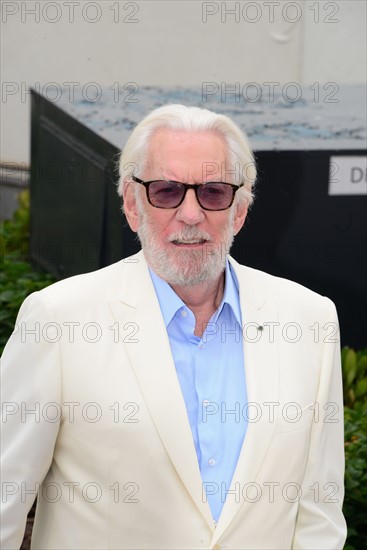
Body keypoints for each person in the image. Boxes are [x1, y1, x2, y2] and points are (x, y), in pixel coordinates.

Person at [1, 104, 346, 549]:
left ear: (239, 210)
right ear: (131, 204)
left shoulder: (310, 322)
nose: (190, 214)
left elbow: (319, 515)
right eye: (165, 191)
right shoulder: (57, 322)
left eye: (213, 192)